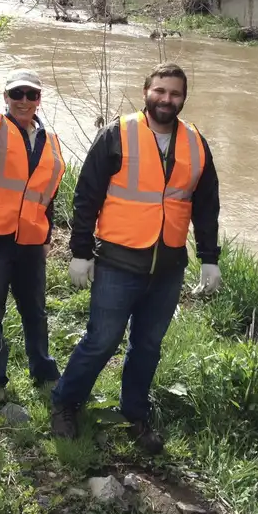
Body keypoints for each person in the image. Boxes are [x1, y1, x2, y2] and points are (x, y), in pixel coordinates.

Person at [49, 63, 222, 453]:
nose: (166, 99)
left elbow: (206, 205)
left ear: (184, 98)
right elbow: (87, 195)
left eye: (175, 93)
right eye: (160, 91)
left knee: (148, 346)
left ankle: (134, 414)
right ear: (146, 91)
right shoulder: (118, 134)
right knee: (102, 340)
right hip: (118, 262)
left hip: (168, 267)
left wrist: (209, 257)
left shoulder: (196, 142)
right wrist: (80, 252)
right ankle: (64, 403)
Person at [0, 66, 66, 405]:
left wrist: (47, 234)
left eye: (31, 94)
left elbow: (47, 193)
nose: (24, 101)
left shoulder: (51, 140)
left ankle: (45, 372)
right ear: (5, 97)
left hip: (31, 241)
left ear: (39, 99)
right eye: (17, 94)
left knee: (35, 310)